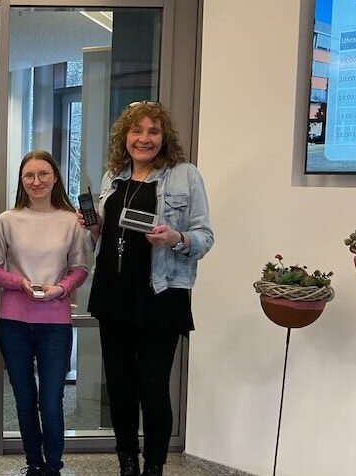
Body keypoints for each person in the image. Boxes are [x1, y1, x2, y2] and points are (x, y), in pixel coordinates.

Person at [84, 101, 213, 476]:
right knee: (120, 388)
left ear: (164, 136)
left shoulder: (185, 175)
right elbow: (107, 237)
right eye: (136, 131)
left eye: (153, 131)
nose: (144, 139)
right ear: (124, 136)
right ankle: (127, 461)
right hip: (113, 293)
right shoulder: (114, 176)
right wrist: (94, 229)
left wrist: (177, 238)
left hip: (161, 295)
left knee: (152, 387)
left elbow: (204, 237)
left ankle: (154, 465)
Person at [0, 150, 89, 476]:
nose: (36, 181)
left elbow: (80, 268)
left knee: (51, 401)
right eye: (29, 175)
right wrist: (19, 283)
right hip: (13, 322)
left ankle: (53, 467)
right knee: (25, 398)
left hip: (55, 323)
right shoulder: (7, 220)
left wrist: (62, 288)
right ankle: (34, 463)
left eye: (43, 174)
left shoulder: (70, 221)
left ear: (55, 177)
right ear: (22, 181)